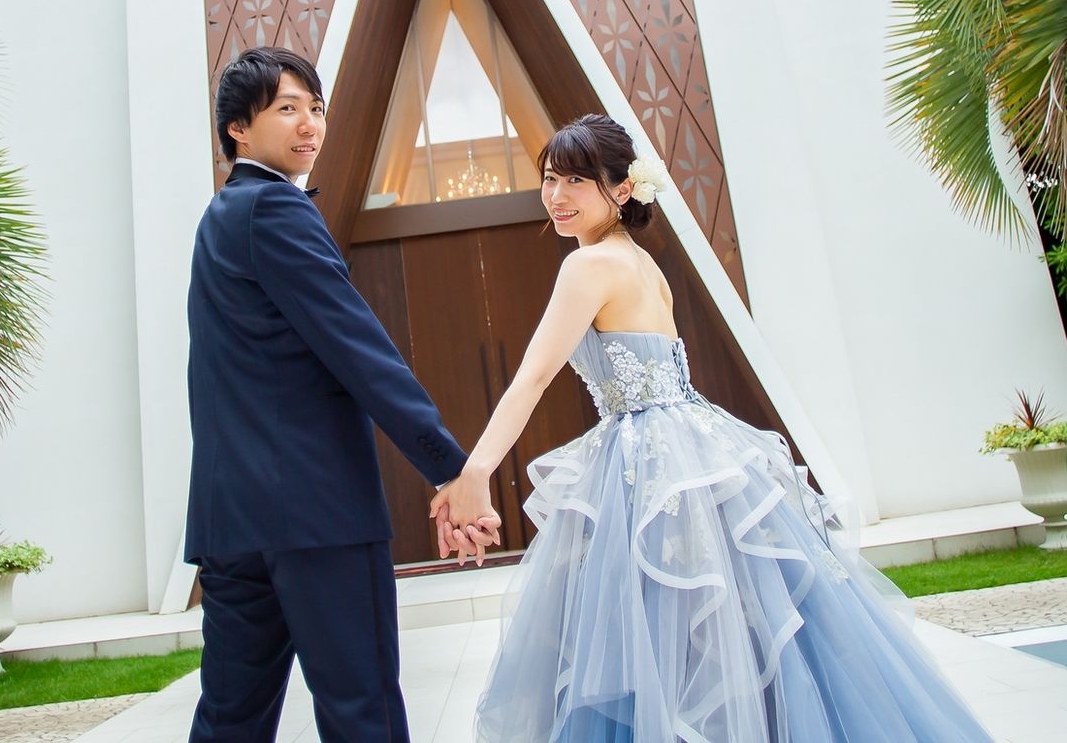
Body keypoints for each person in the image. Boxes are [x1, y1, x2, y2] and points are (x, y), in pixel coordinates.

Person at [433, 114, 993, 741]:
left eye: (576, 181)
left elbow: (534, 376)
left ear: (622, 189)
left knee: (662, 641)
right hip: (694, 445)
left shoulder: (587, 267)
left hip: (649, 461)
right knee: (734, 633)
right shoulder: (641, 263)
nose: (556, 196)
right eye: (549, 179)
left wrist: (476, 471)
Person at [185, 46, 498, 743]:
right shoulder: (276, 209)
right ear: (238, 128)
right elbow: (360, 353)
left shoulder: (220, 219)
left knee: (230, 720)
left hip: (231, 519)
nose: (310, 125)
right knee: (363, 711)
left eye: (316, 108)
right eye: (287, 109)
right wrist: (451, 468)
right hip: (317, 512)